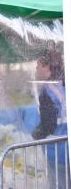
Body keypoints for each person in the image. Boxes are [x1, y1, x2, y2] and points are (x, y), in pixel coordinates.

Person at [32, 49, 70, 188]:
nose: (36, 70)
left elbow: (48, 124)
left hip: (57, 152)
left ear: (46, 66)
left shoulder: (47, 91)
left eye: (37, 66)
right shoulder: (65, 85)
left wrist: (35, 134)